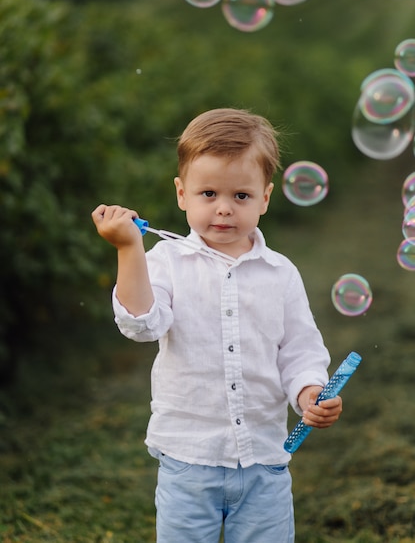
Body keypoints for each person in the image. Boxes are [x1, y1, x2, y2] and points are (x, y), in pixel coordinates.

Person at [91, 107, 343, 543]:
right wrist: (129, 249)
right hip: (188, 459)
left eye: (240, 196)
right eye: (208, 194)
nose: (224, 209)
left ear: (265, 197)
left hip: (264, 461)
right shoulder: (165, 262)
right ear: (181, 194)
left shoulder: (280, 273)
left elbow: (299, 349)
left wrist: (307, 391)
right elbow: (142, 325)